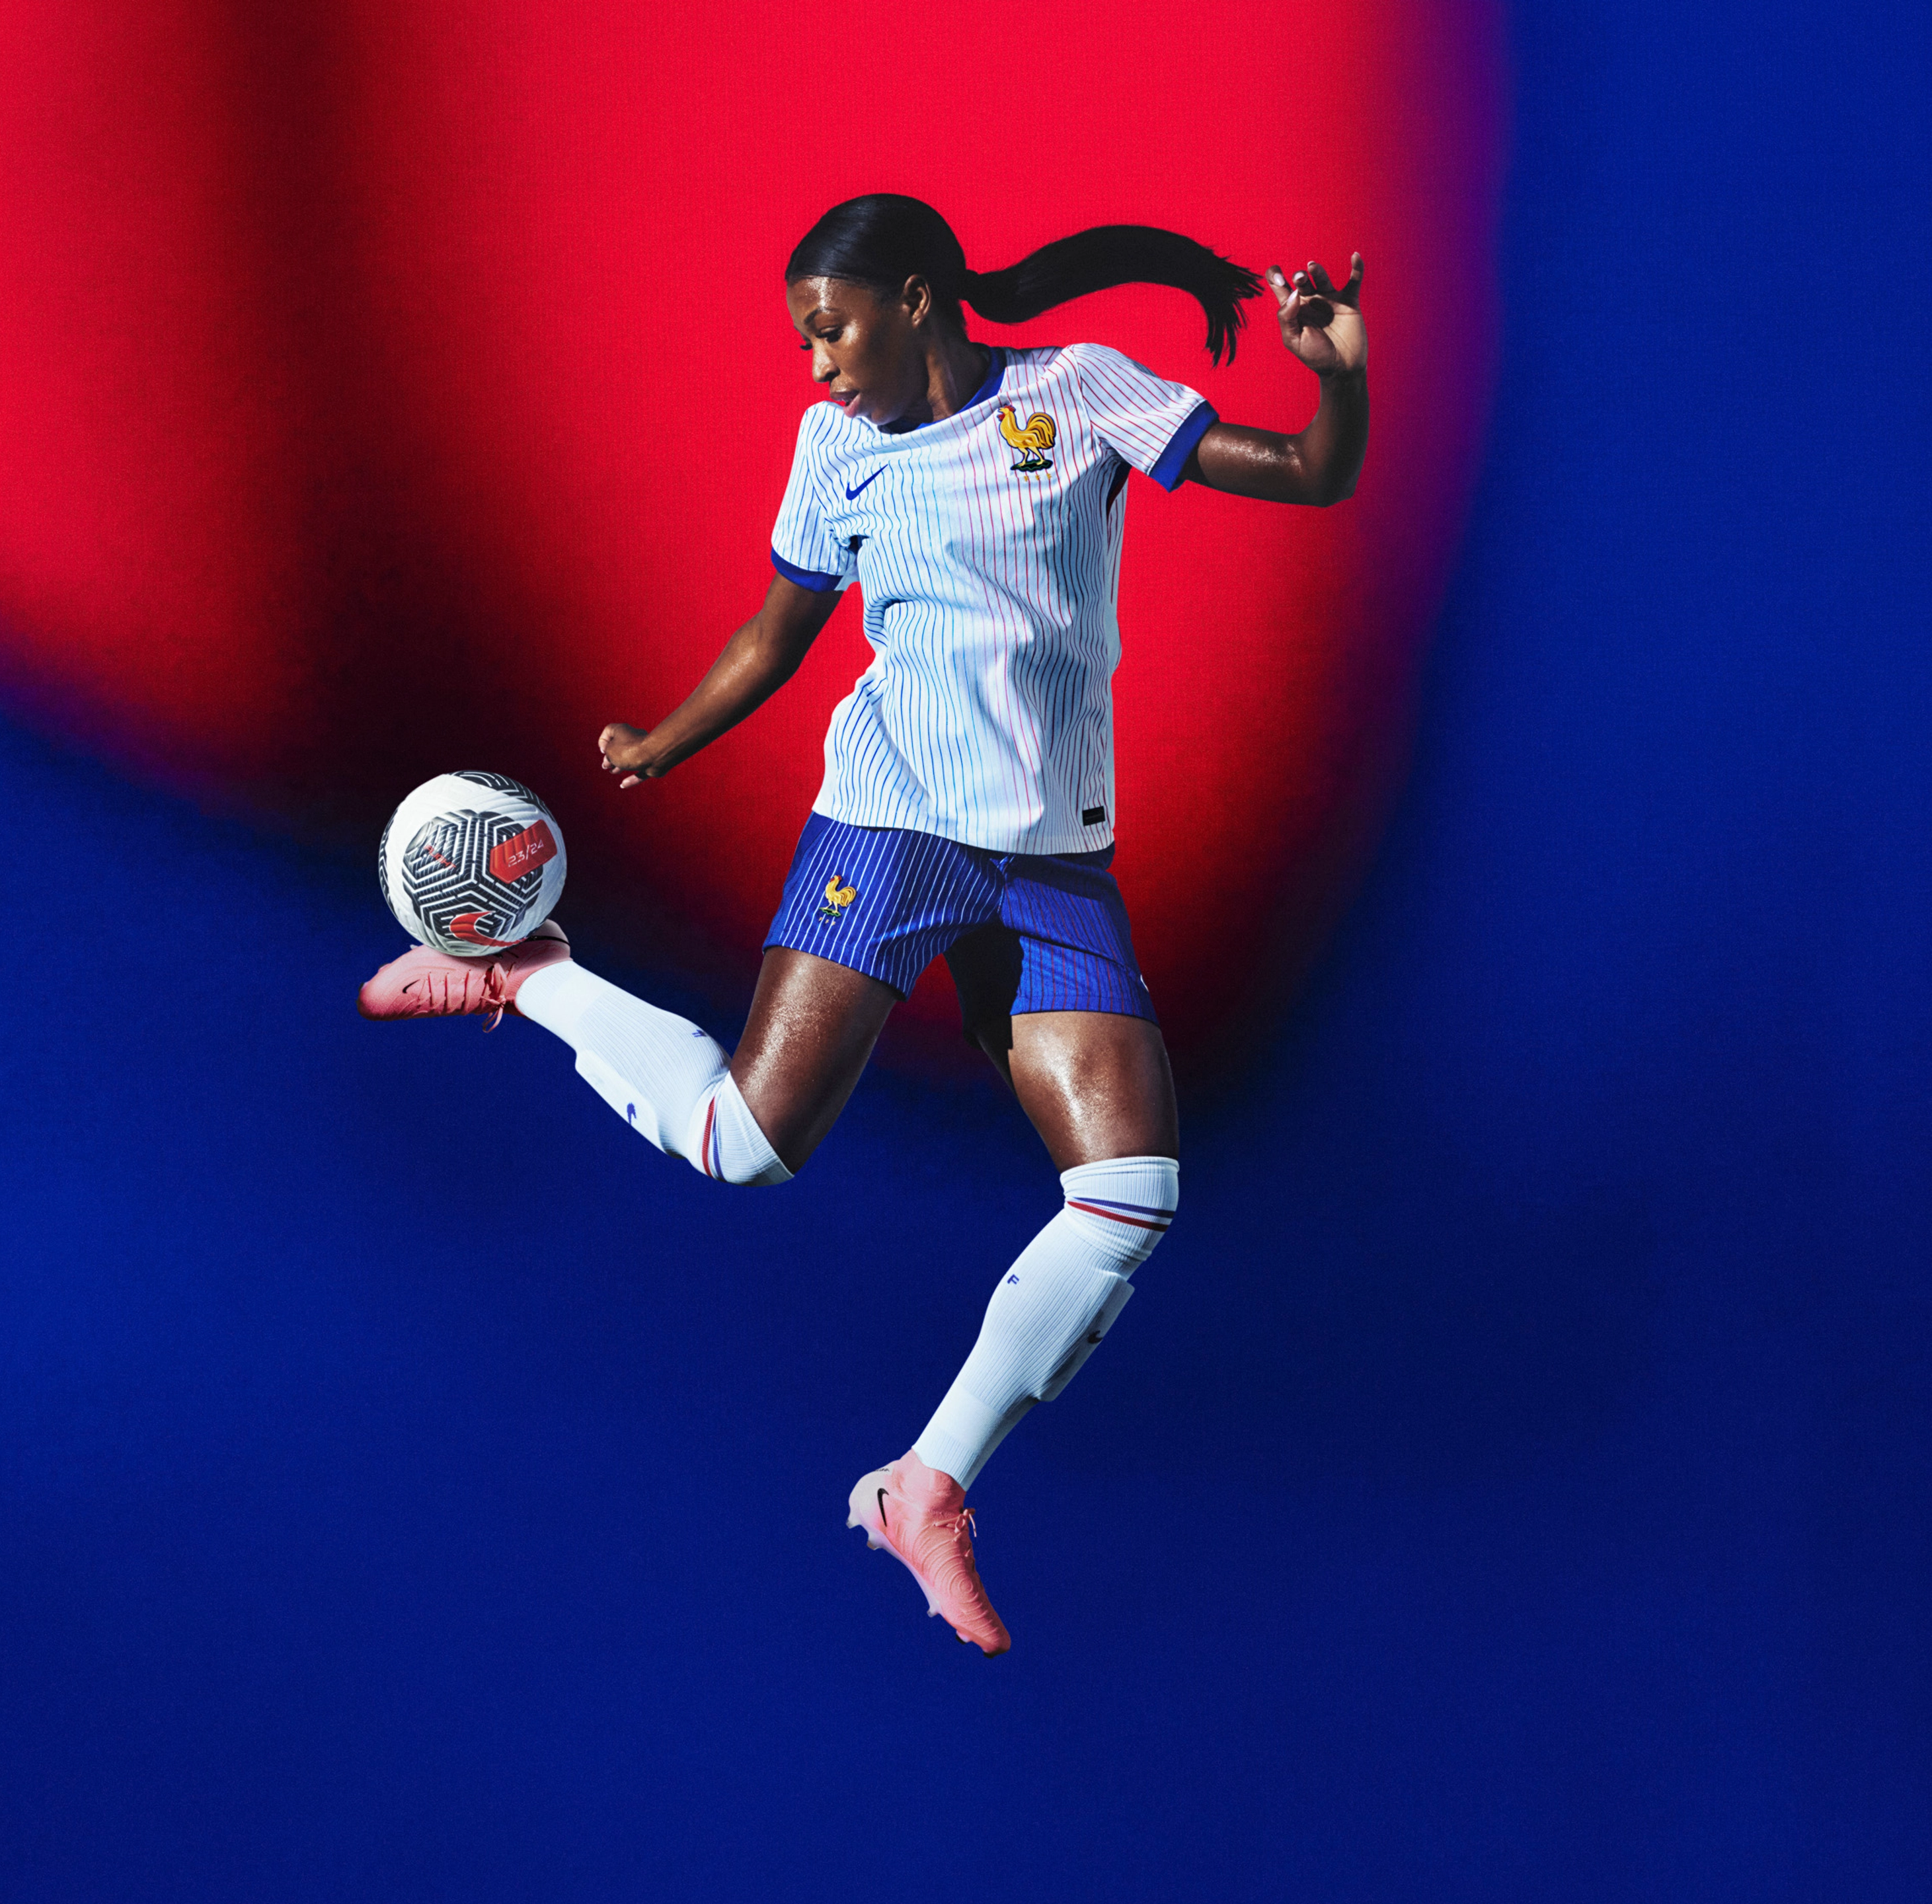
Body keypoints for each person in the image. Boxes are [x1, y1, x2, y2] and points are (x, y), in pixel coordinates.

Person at [359, 194, 1368, 1655]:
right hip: (890, 830)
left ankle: (926, 1485)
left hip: (1050, 858)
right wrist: (664, 739)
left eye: (830, 330)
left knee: (1131, 1193)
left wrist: (1333, 369)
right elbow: (782, 628)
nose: (816, 365)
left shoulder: (1076, 395)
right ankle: (532, 977)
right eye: (802, 341)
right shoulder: (836, 449)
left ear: (915, 298)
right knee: (748, 1147)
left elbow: (1314, 476)